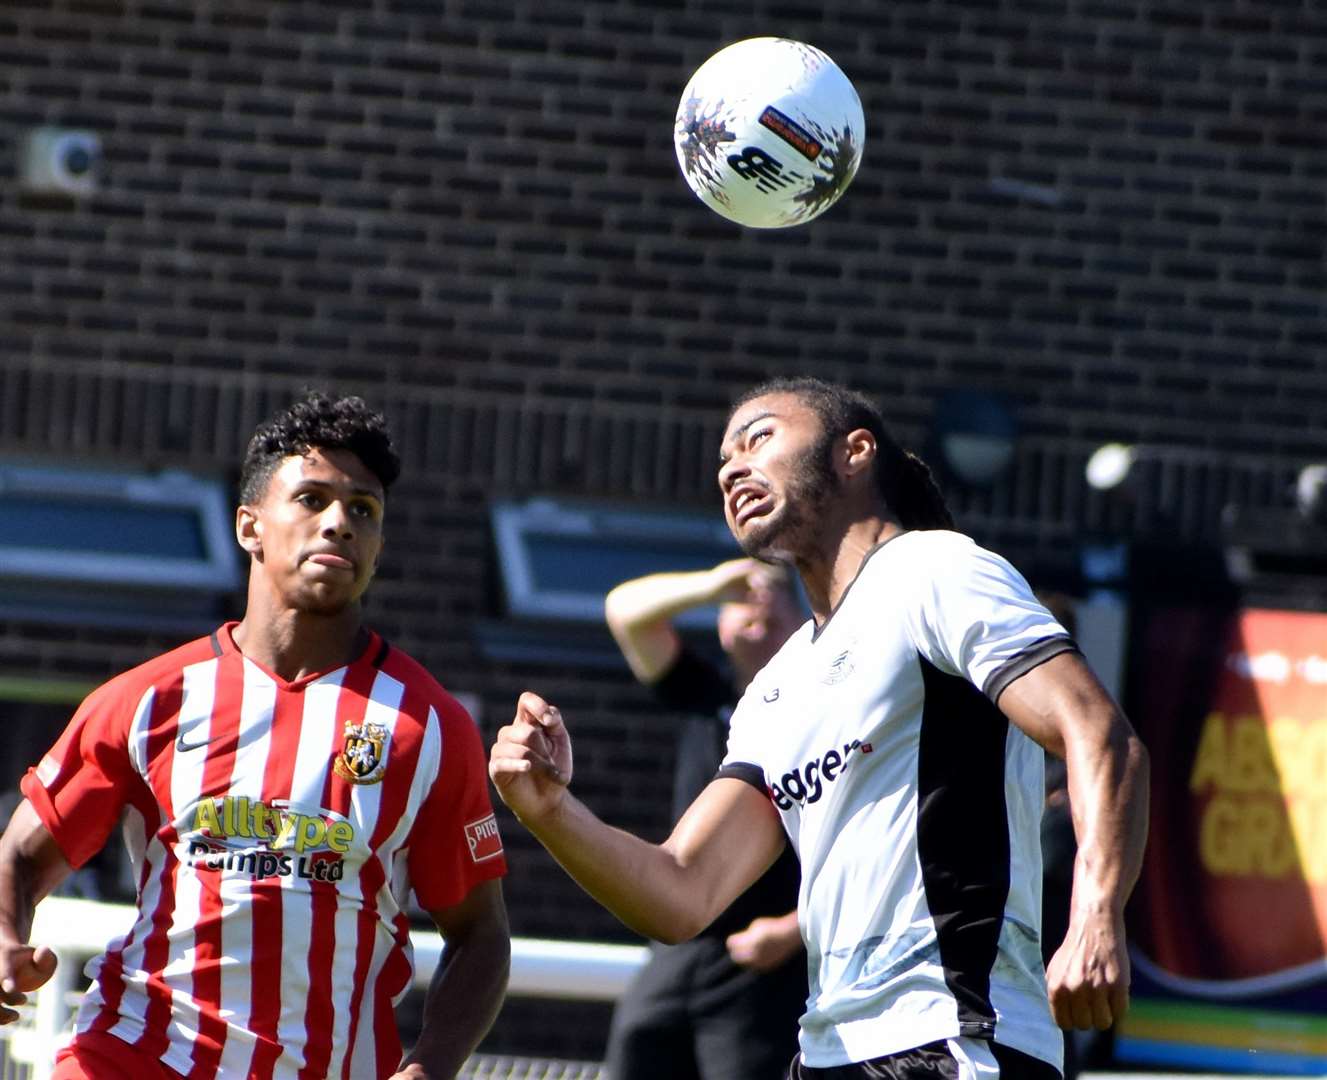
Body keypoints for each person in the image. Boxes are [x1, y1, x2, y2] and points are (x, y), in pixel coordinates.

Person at [490, 376, 1150, 1080]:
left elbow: (1097, 731)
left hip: (958, 1036)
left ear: (854, 452)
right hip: (827, 1051)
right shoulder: (778, 685)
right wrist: (552, 812)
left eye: (759, 439)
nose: (731, 468)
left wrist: (1094, 914)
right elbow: (680, 893)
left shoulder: (934, 569)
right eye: (722, 459)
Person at [0, 392, 511, 1080]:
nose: (338, 524)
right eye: (312, 499)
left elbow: (479, 935)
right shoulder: (148, 700)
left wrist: (430, 1067)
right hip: (137, 1051)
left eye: (362, 509)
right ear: (250, 527)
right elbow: (22, 857)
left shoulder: (430, 726)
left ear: (379, 547)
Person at [602, 557, 807, 1079]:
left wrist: (791, 931)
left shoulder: (819, 710)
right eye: (743, 599)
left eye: (779, 598)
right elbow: (625, 612)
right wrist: (713, 584)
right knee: (634, 1049)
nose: (759, 607)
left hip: (765, 957)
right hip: (680, 944)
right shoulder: (705, 695)